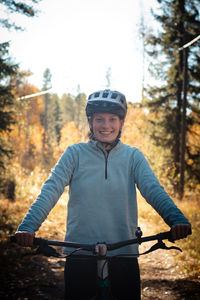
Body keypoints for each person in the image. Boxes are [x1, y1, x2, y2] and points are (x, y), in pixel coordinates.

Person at [15, 89, 191, 300]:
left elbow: (153, 190)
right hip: (79, 252)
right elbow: (51, 189)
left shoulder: (133, 157)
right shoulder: (74, 154)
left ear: (121, 123)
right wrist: (28, 226)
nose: (105, 126)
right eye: (99, 119)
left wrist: (176, 219)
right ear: (91, 121)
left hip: (124, 251)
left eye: (112, 119)